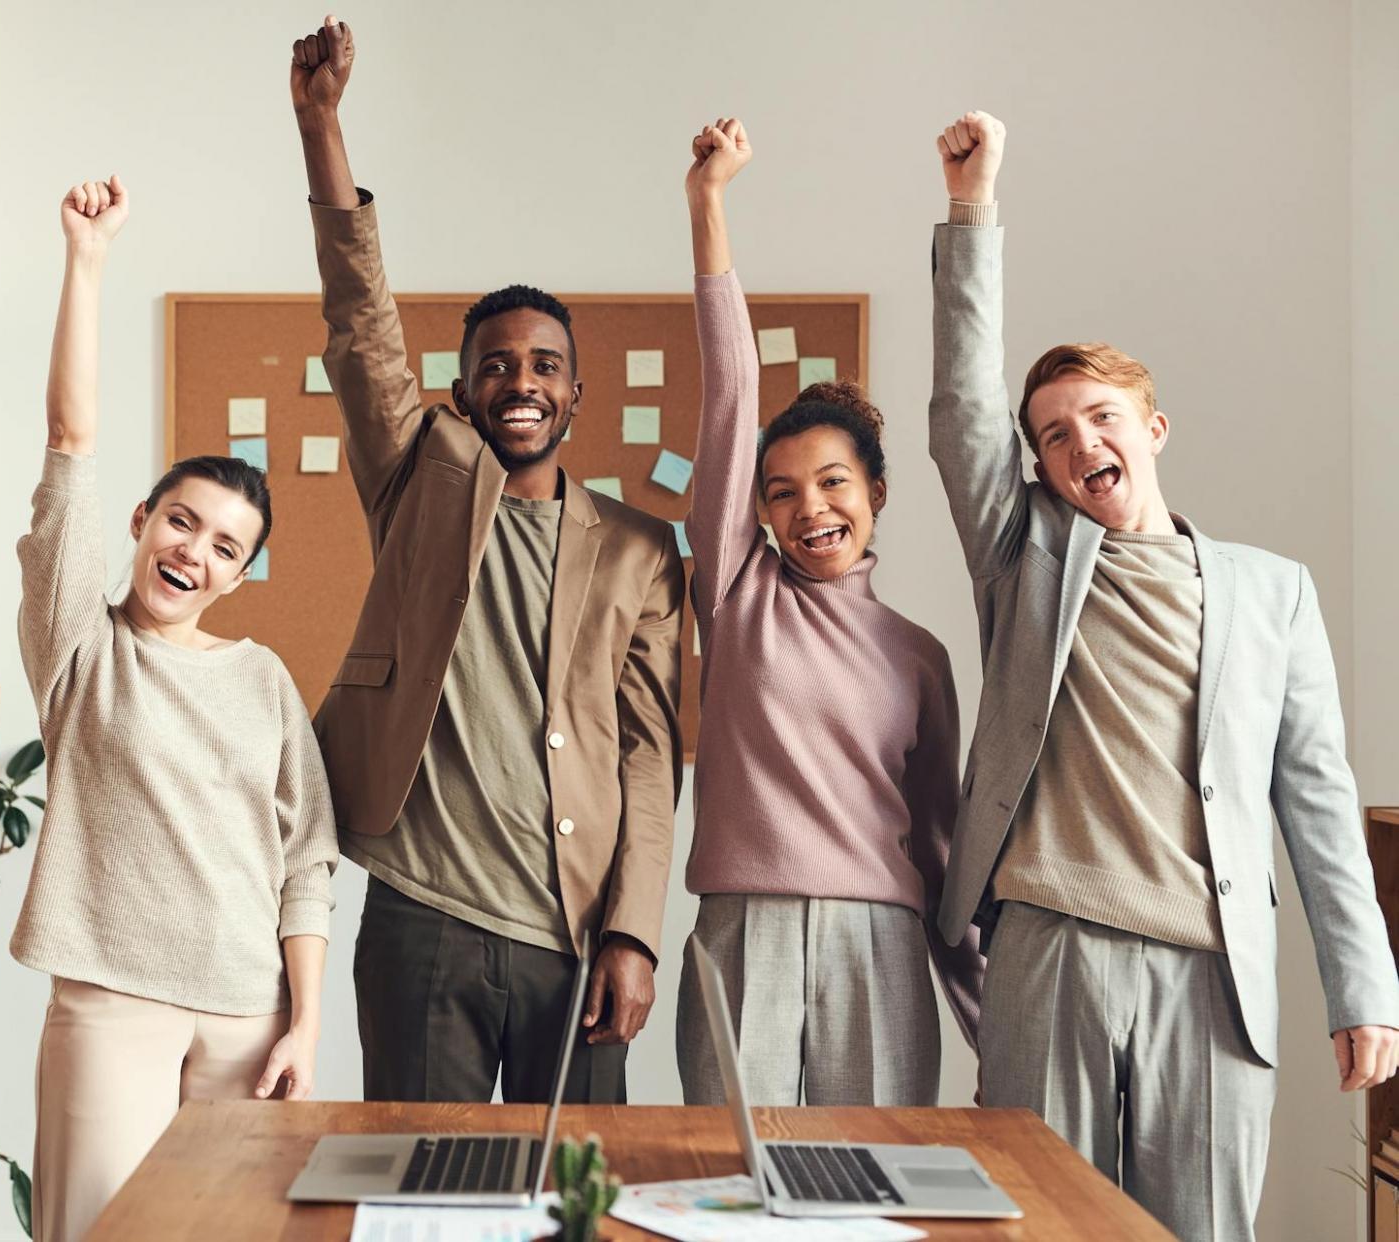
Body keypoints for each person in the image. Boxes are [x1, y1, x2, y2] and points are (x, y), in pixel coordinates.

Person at [927, 111, 1399, 1240]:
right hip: (1049, 946)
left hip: (1211, 969)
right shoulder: (1025, 558)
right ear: (1037, 467)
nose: (1078, 442)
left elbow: (1317, 801)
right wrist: (971, 206)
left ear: (1153, 428)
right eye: (1051, 434)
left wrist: (1363, 986)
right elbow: (960, 413)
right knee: (1039, 1226)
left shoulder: (1272, 591)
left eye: (1100, 418)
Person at [288, 16, 684, 1104]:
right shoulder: (418, 478)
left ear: (574, 395)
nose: (521, 381)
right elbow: (360, 323)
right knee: (426, 1181)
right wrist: (321, 129)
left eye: (545, 365)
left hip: (576, 930)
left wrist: (635, 933)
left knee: (580, 1183)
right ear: (462, 392)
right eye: (497, 366)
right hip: (422, 915)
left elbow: (649, 758)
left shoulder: (641, 551)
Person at [9, 176, 338, 1242]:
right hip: (112, 1005)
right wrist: (87, 261)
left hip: (250, 1014)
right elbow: (70, 442)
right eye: (181, 523)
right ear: (143, 521)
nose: (194, 552)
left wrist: (304, 1024)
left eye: (224, 547)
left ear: (238, 575)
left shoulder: (263, 679)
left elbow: (306, 862)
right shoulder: (81, 648)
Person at [674, 118, 981, 1108]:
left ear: (875, 492)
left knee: (874, 1179)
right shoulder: (736, 594)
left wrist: (988, 1024)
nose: (810, 509)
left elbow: (940, 848)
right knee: (730, 1176)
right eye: (781, 493)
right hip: (741, 932)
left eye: (833, 482)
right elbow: (731, 391)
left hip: (880, 944)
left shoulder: (918, 657)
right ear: (758, 512)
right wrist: (708, 202)